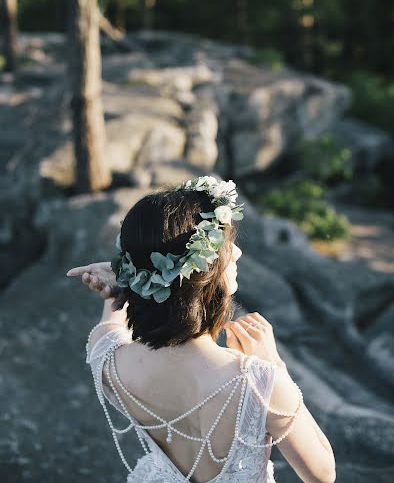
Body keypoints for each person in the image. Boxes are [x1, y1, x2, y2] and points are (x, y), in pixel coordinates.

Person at [67, 176, 336, 483]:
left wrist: (126, 283)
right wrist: (276, 364)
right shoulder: (259, 382)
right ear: (205, 271)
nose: (236, 254)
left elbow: (111, 321)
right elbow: (322, 474)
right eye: (228, 247)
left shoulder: (109, 362)